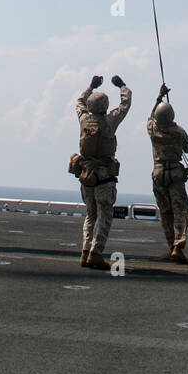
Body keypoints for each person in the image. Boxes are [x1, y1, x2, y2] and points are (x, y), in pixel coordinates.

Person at [71, 73, 131, 270]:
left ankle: (85, 251)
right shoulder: (110, 121)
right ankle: (96, 252)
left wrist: (91, 86)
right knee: (105, 214)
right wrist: (121, 85)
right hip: (104, 176)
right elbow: (125, 104)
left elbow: (79, 102)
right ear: (105, 107)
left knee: (90, 214)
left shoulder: (84, 121)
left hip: (86, 176)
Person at [147, 83, 188, 262]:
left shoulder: (153, 130)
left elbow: (150, 117)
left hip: (158, 174)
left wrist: (159, 97)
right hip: (175, 174)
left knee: (165, 212)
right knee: (180, 210)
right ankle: (177, 244)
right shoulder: (178, 132)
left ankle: (171, 247)